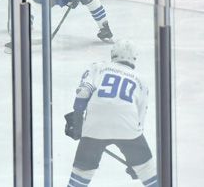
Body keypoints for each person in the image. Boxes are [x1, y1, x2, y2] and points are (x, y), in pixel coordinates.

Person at [64, 40, 158, 187]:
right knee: (147, 170)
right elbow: (140, 119)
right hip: (127, 126)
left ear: (113, 55)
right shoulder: (141, 80)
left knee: (81, 173)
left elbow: (83, 92)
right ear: (134, 58)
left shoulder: (99, 67)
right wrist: (136, 159)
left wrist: (78, 120)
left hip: (95, 125)